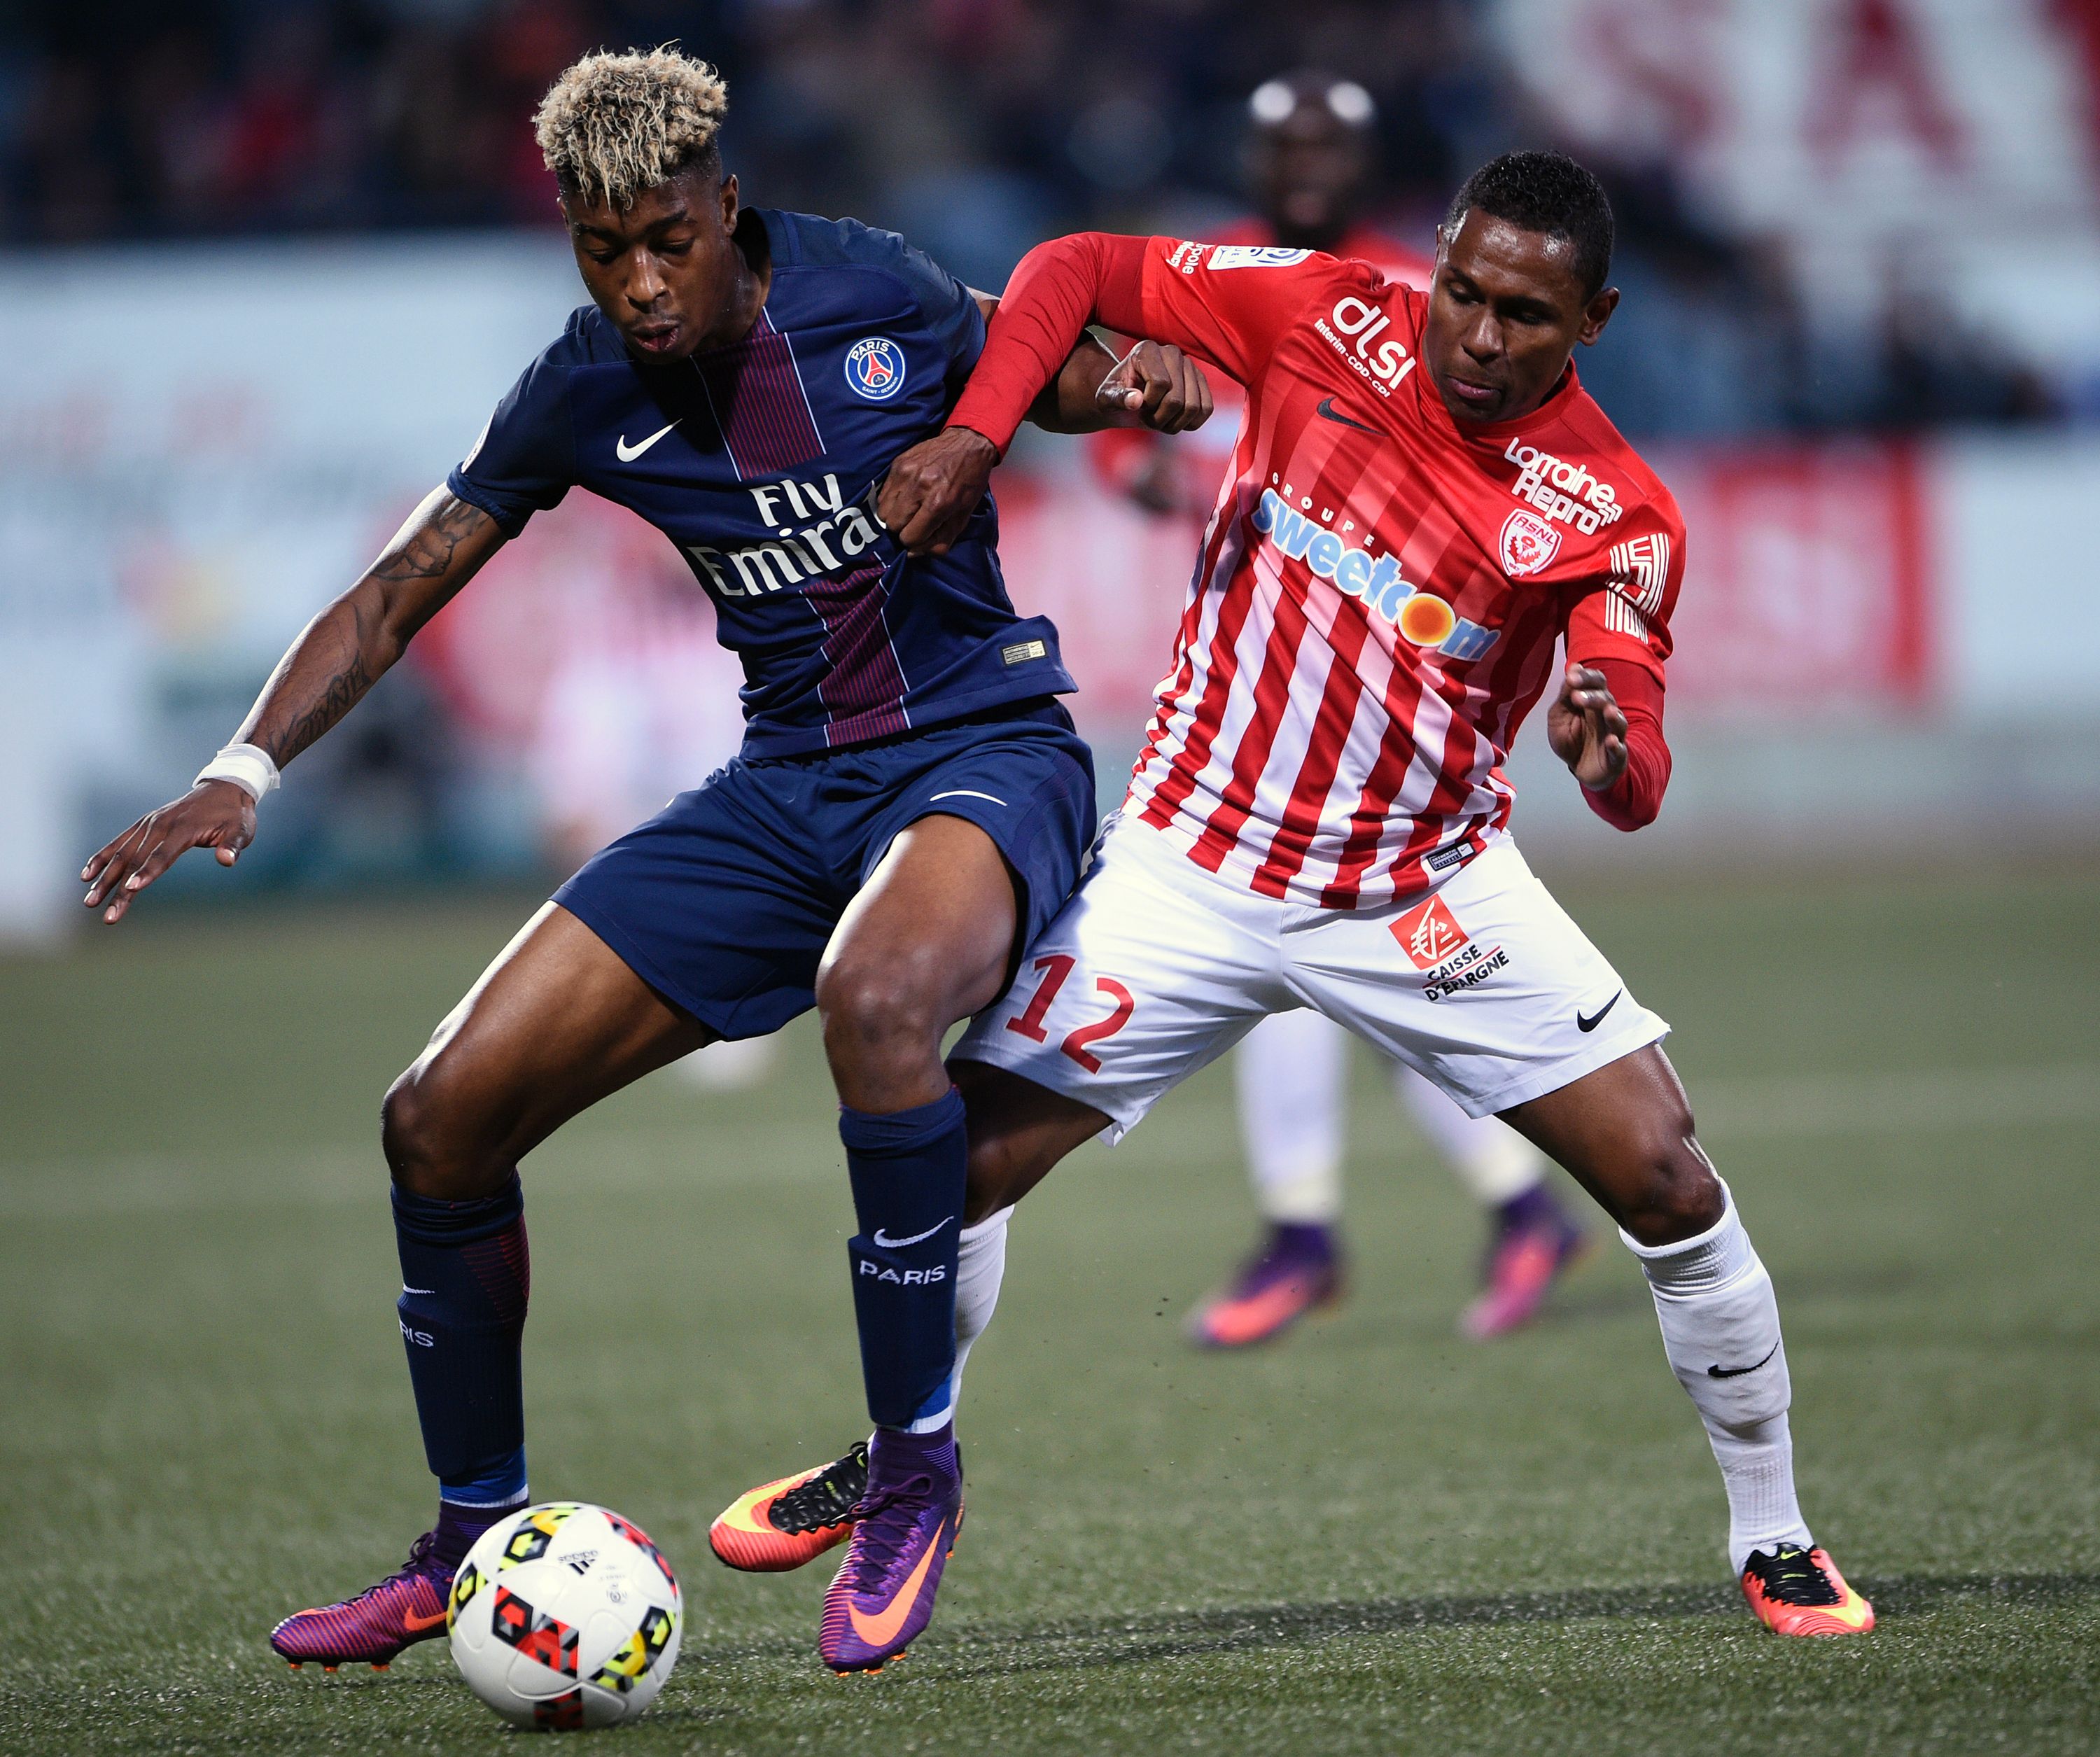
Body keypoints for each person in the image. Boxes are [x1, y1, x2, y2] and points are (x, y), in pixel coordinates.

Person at [78, 46, 1211, 1678]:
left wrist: (1137, 378)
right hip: (781, 791)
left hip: (985, 753)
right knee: (438, 1116)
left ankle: (912, 1471)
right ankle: (470, 1540)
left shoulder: (866, 286)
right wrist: (237, 768)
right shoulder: (579, 385)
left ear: (726, 207)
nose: (642, 280)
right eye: (604, 249)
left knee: (881, 1002)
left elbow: (1052, 363)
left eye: (668, 239)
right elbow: (402, 584)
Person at [718, 150, 1875, 1658]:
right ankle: (901, 1451)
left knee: (1668, 1181)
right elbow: (1071, 264)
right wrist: (978, 431)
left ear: (1591, 317)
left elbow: (1631, 758)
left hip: (1420, 892)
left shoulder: (1614, 508)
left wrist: (1612, 746)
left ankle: (1771, 1528)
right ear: (1438, 260)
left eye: (1524, 313)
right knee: (936, 1175)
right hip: (1189, 863)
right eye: (1462, 287)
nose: (1475, 330)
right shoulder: (1329, 313)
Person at [1090, 71, 1586, 1350]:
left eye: (1331, 145)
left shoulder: (1435, 304)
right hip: (1261, 676)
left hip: (1393, 709)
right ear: (1248, 160)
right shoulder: (1223, 280)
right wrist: (1151, 438)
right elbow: (1122, 442)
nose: (1306, 165)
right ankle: (1498, 1202)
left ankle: (1323, 1227)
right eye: (1282, 144)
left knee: (1331, 963)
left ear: (1375, 167)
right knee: (1356, 980)